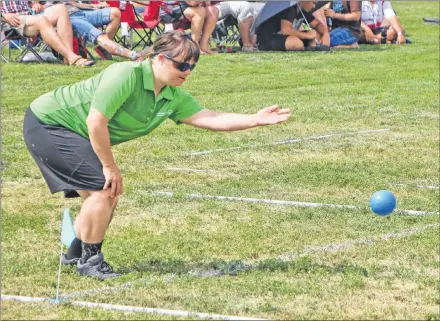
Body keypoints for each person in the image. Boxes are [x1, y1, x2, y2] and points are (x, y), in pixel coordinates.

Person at [23, 31, 291, 280]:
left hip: (76, 131)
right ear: (160, 59)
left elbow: (212, 118)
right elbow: (96, 122)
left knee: (107, 192)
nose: (187, 72)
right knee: (103, 189)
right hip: (49, 123)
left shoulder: (171, 96)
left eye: (192, 67)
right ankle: (90, 262)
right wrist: (109, 165)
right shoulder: (125, 75)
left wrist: (255, 119)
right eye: (182, 65)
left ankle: (74, 255)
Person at [40, 1, 145, 61]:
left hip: (81, 12)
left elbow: (73, 3)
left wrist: (92, 6)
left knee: (115, 12)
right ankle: (132, 55)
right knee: (99, 35)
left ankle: (101, 47)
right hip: (69, 17)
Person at [0, 0, 94, 67]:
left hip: (29, 15)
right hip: (11, 21)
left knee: (61, 8)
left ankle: (67, 59)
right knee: (41, 19)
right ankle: (73, 58)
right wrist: (3, 15)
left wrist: (35, 3)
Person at [256, 1, 329, 52]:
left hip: (286, 37)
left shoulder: (302, 10)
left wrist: (325, 33)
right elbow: (286, 30)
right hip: (269, 38)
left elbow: (317, 24)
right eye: (313, 3)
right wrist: (307, 35)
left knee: (316, 34)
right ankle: (310, 48)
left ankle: (311, 48)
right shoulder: (290, 8)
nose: (314, 6)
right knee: (296, 43)